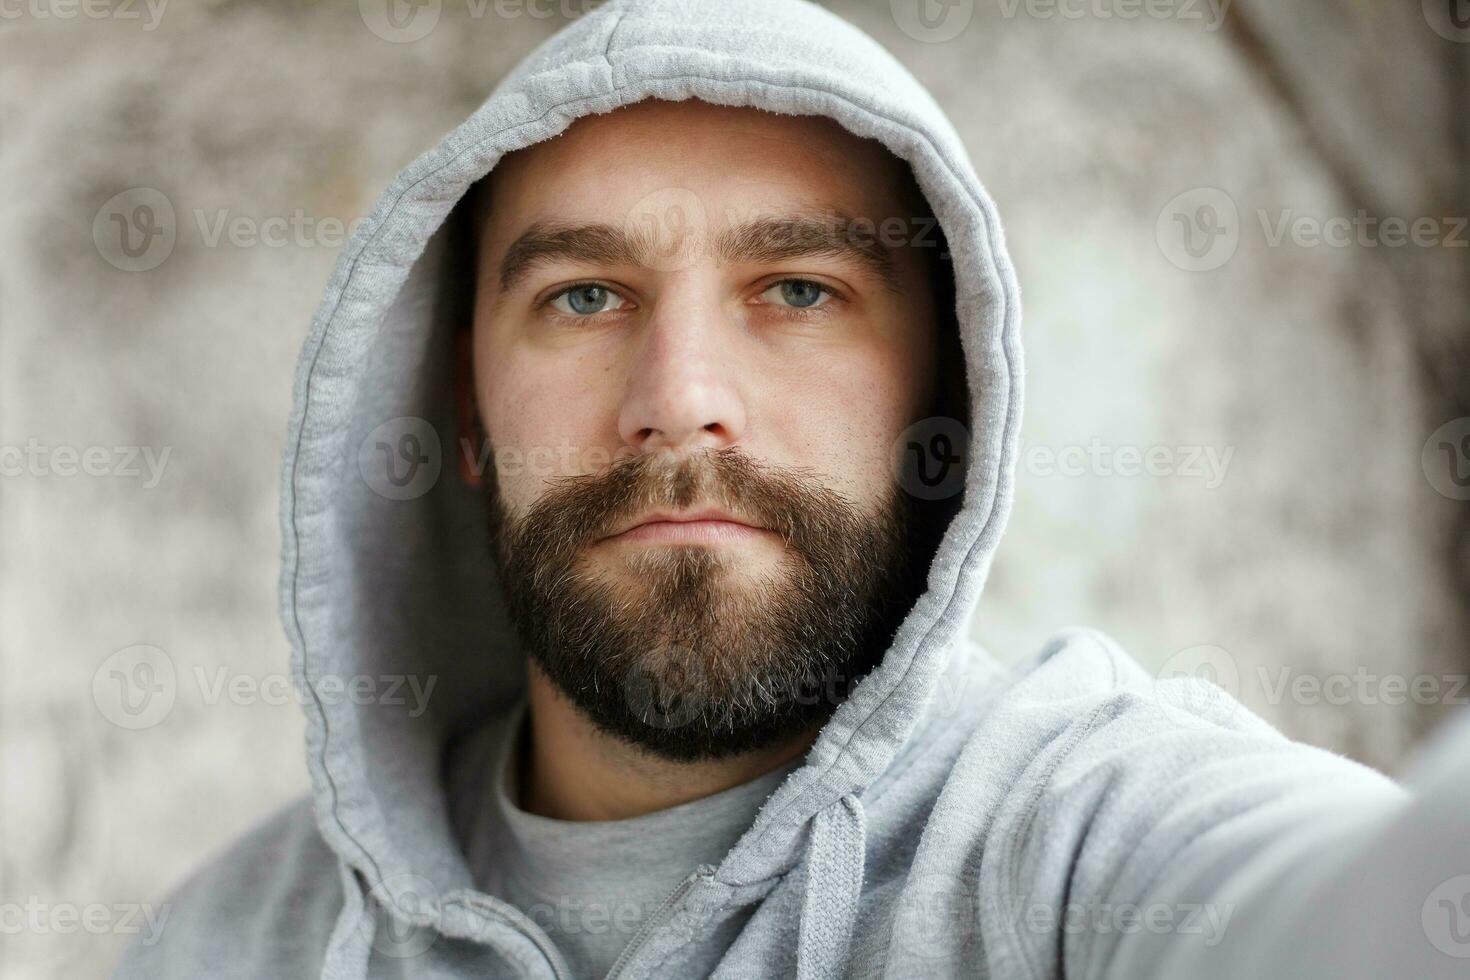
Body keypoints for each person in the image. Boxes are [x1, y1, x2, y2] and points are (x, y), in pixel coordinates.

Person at [114, 1, 1470, 978]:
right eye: (583, 295)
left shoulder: (1075, 840)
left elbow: (1362, 913)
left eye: (798, 291)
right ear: (462, 414)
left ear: (938, 404)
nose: (679, 393)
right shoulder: (232, 942)